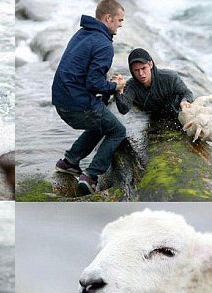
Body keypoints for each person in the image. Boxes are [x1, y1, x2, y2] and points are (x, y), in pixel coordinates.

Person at [51, 0, 127, 196]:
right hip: (78, 105)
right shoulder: (104, 44)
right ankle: (91, 176)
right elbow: (93, 83)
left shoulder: (82, 33)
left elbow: (84, 74)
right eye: (119, 20)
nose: (120, 24)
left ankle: (69, 162)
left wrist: (105, 83)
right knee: (117, 131)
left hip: (61, 102)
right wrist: (114, 86)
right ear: (107, 18)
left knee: (101, 122)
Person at [114, 47, 193, 117]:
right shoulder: (131, 85)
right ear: (131, 70)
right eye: (136, 70)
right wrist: (118, 89)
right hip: (153, 118)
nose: (141, 74)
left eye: (143, 68)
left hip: (176, 114)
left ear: (150, 64)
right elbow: (123, 109)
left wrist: (185, 101)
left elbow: (187, 93)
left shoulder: (169, 77)